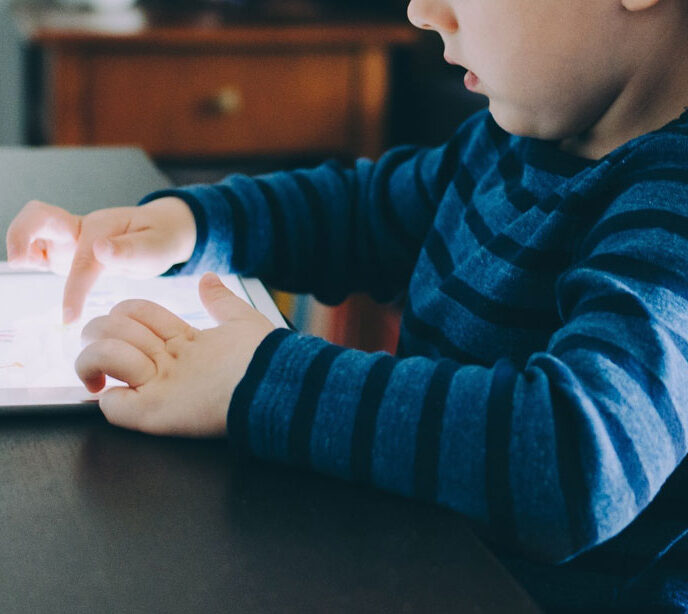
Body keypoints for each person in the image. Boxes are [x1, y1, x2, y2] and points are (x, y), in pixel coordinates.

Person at [6, 0, 688, 609]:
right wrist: (192, 225)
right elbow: (362, 212)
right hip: (427, 562)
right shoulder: (519, 140)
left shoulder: (672, 208)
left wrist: (258, 378)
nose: (423, 11)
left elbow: (577, 458)